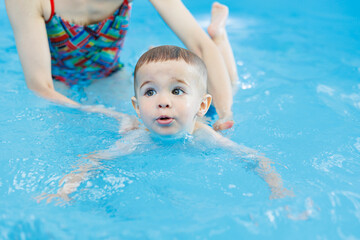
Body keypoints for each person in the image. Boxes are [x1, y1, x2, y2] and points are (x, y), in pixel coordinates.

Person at [38, 46, 292, 203]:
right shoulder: (137, 139)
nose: (162, 102)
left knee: (231, 85)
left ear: (200, 105)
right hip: (192, 105)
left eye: (176, 91)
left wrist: (278, 189)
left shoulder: (206, 136)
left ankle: (219, 36)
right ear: (137, 108)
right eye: (149, 93)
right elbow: (93, 161)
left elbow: (255, 159)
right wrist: (64, 191)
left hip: (211, 116)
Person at [5, 0, 238, 130]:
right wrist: (108, 114)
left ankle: (219, 36)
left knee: (201, 116)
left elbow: (199, 45)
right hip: (57, 88)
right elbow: (39, 85)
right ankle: (219, 36)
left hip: (111, 75)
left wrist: (224, 115)